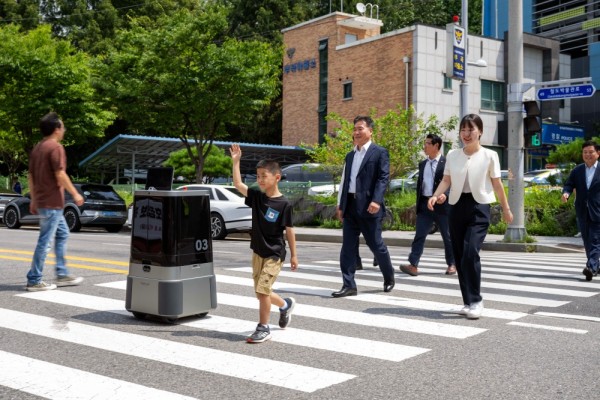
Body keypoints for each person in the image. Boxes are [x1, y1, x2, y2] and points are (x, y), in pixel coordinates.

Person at [427, 114, 512, 319]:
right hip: (456, 207)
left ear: (480, 132)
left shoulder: (490, 155)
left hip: (479, 207)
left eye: (471, 130)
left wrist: (506, 208)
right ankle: (468, 302)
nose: (466, 134)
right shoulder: (454, 155)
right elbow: (446, 180)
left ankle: (476, 300)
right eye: (463, 130)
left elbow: (497, 185)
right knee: (459, 255)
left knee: (470, 252)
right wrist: (436, 195)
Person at [230, 143, 298, 343]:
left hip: (274, 254)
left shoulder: (284, 203)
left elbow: (290, 230)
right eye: (257, 176)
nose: (259, 179)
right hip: (257, 252)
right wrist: (236, 162)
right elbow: (238, 185)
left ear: (276, 177)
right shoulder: (258, 197)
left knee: (262, 291)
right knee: (262, 293)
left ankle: (263, 327)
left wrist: (294, 255)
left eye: (263, 176)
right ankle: (285, 305)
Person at [332, 115, 395, 297]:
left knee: (376, 245)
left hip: (369, 206)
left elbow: (383, 178)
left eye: (361, 128)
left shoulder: (379, 152)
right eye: (355, 129)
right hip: (351, 206)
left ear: (370, 131)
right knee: (348, 247)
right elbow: (346, 181)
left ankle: (389, 277)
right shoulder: (350, 155)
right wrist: (340, 204)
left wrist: (376, 200)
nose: (357, 132)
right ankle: (349, 284)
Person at [26, 112, 84, 291]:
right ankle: (34, 280)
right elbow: (60, 174)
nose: (64, 129)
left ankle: (62, 273)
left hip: (46, 202)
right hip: (52, 203)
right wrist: (75, 194)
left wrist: (34, 200)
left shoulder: (38, 148)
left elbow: (30, 176)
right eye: (63, 126)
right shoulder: (55, 148)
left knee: (62, 234)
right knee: (45, 241)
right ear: (57, 129)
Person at [400, 134, 456, 276]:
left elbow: (452, 181)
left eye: (427, 144)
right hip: (425, 205)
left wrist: (445, 194)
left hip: (442, 206)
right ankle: (413, 265)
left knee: (447, 236)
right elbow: (421, 185)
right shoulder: (423, 164)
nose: (424, 146)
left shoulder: (447, 162)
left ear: (436, 145)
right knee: (419, 235)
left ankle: (452, 264)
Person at [561, 140, 600, 281]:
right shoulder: (577, 170)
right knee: (587, 241)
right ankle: (596, 266)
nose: (588, 155)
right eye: (585, 152)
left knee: (595, 240)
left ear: (598, 153)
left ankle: (590, 268)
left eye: (591, 152)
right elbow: (569, 184)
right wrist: (566, 193)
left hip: (598, 212)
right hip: (582, 211)